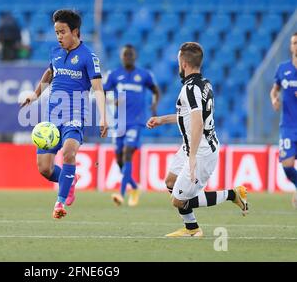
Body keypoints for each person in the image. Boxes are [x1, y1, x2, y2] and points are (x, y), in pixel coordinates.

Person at [146, 42, 248, 237]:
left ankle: (233, 194)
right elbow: (188, 116)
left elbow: (198, 121)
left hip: (200, 151)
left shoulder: (189, 89)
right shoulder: (204, 84)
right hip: (192, 146)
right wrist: (162, 120)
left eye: (178, 62)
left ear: (183, 63)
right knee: (170, 181)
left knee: (178, 200)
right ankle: (192, 228)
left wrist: (192, 157)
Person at [20, 9, 108, 219]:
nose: (59, 36)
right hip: (52, 117)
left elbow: (98, 88)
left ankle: (59, 203)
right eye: (57, 32)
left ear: (75, 32)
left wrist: (104, 116)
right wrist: (35, 94)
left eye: (62, 32)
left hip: (75, 114)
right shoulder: (56, 53)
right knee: (45, 169)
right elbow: (50, 73)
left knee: (69, 152)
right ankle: (70, 179)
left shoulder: (88, 57)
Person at [103, 44, 160, 206]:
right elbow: (103, 91)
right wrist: (109, 101)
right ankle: (134, 187)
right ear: (121, 57)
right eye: (125, 55)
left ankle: (121, 194)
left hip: (136, 121)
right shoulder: (114, 75)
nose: (128, 57)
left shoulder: (144, 75)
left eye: (130, 55)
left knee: (128, 153)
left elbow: (156, 90)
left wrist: (154, 105)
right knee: (119, 159)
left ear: (135, 57)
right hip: (119, 122)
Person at [270, 32, 297, 208]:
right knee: (287, 165)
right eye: (294, 42)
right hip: (288, 126)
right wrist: (274, 99)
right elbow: (274, 89)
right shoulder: (282, 68)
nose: (295, 45)